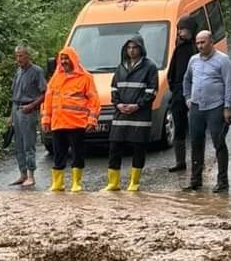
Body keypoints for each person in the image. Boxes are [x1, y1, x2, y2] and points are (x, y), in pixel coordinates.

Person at [182, 30, 231, 193]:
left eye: (203, 42)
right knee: (196, 142)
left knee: (218, 143)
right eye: (197, 43)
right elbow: (187, 79)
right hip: (197, 106)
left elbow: (230, 84)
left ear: (211, 42)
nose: (200, 46)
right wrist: (187, 98)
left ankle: (222, 181)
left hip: (216, 106)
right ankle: (195, 179)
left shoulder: (222, 60)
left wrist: (228, 107)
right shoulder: (193, 60)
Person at [104, 35, 158, 192]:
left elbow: (152, 90)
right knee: (114, 147)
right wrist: (118, 104)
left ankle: (134, 182)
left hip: (140, 116)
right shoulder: (121, 67)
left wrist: (138, 105)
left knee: (138, 148)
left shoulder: (150, 67)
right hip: (121, 115)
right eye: (129, 48)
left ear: (141, 48)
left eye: (134, 47)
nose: (131, 51)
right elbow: (114, 88)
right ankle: (113, 183)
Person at [41, 46, 99, 192]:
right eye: (62, 59)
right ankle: (57, 183)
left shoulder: (86, 78)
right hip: (58, 124)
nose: (64, 61)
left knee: (77, 154)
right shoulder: (55, 78)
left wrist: (92, 121)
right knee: (58, 154)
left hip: (76, 123)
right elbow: (47, 101)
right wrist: (45, 120)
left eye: (67, 58)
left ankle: (76, 183)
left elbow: (94, 101)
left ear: (74, 59)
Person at [9, 44, 46, 189]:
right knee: (18, 144)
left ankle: (31, 175)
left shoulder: (37, 71)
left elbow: (44, 93)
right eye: (17, 56)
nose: (18, 59)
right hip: (16, 109)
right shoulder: (18, 71)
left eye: (21, 55)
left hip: (28, 109)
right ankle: (22, 173)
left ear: (27, 56)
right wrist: (11, 115)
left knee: (28, 144)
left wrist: (31, 106)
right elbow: (14, 94)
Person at [167, 15, 197, 173]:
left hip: (193, 92)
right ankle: (180, 161)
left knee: (195, 129)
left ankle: (197, 162)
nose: (180, 33)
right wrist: (173, 86)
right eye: (179, 29)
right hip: (179, 92)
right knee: (179, 127)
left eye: (183, 29)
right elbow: (173, 70)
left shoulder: (195, 49)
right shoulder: (179, 47)